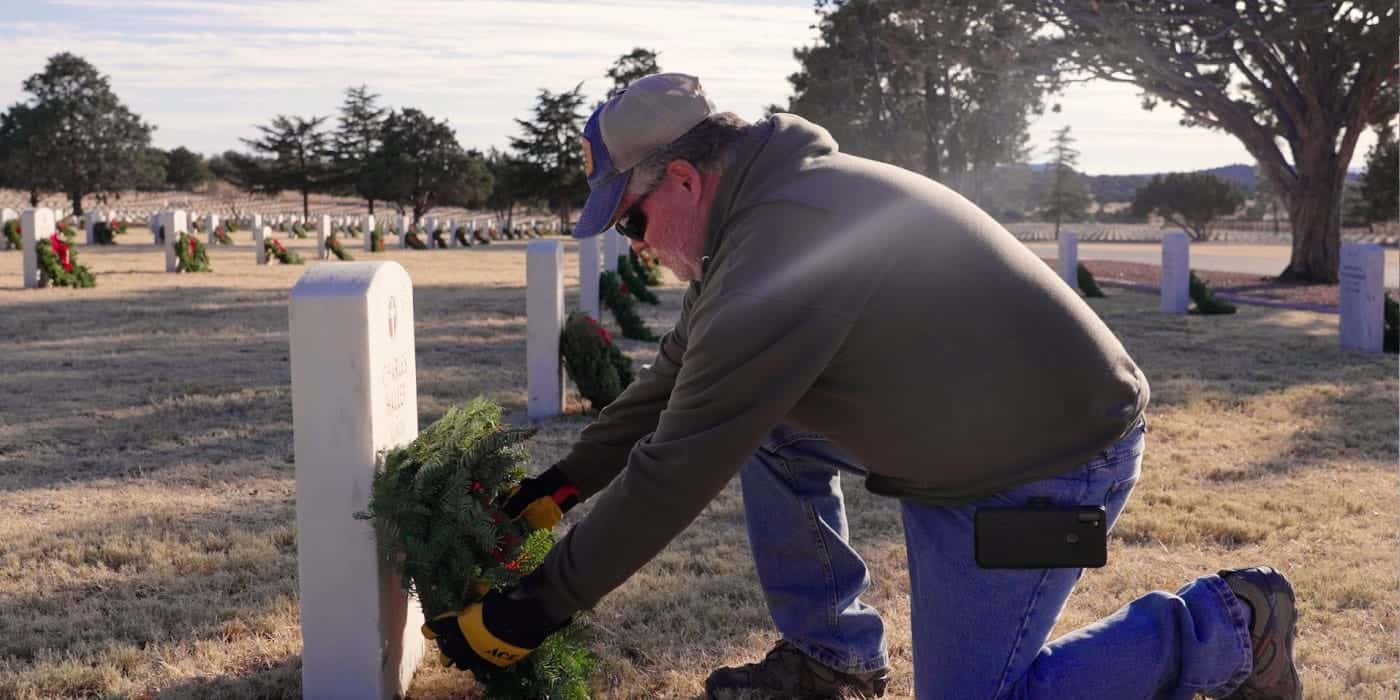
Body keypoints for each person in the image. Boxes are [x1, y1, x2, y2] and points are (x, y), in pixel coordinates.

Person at [422, 73, 1300, 699]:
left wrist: (532, 609)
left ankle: (1230, 624)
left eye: (635, 219)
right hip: (964, 437)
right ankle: (832, 658)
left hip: (1048, 460)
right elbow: (669, 387)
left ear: (685, 178)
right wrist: (554, 491)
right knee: (770, 431)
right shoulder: (756, 225)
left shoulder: (783, 244)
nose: (638, 244)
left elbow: (678, 464)